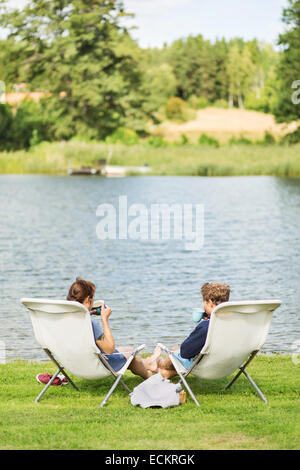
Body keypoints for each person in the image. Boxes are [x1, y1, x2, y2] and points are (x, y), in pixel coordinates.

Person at [67, 278, 154, 379]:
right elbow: (110, 349)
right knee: (132, 355)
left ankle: (151, 363)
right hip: (99, 366)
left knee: (128, 350)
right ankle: (150, 375)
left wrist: (87, 314)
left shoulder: (65, 321)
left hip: (75, 364)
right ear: (87, 299)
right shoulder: (89, 325)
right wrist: (104, 319)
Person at [146, 282, 231, 379]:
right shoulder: (231, 322)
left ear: (210, 303)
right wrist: (210, 318)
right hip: (225, 362)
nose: (203, 307)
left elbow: (185, 352)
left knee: (174, 353)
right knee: (175, 349)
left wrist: (205, 323)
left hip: (205, 366)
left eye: (204, 303)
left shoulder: (206, 327)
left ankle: (157, 364)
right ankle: (164, 372)